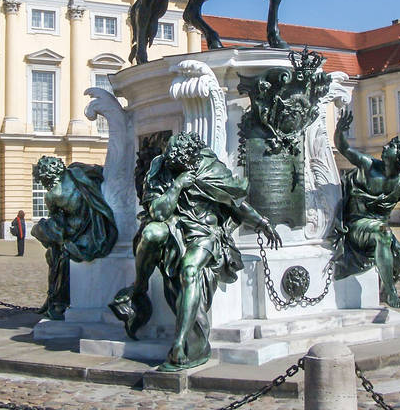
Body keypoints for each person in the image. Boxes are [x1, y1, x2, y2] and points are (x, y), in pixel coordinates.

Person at [111, 131, 281, 371]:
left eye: (178, 166)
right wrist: (178, 185)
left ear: (192, 160)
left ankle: (180, 343)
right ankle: (138, 289)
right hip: (173, 226)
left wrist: (262, 223)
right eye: (171, 162)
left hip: (204, 232)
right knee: (151, 233)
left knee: (190, 270)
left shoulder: (209, 168)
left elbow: (235, 202)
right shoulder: (161, 167)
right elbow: (158, 213)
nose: (172, 166)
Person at [333, 111, 400, 308]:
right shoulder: (368, 165)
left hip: (378, 227)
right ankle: (390, 292)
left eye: (389, 147)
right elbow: (343, 147)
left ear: (397, 156)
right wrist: (339, 130)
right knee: (384, 235)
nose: (384, 147)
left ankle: (385, 288)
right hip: (356, 224)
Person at [31, 156, 118, 320]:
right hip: (95, 225)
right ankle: (55, 299)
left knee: (57, 255)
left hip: (85, 231)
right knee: (55, 254)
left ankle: (57, 301)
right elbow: (101, 172)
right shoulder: (76, 171)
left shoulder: (51, 196)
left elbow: (57, 222)